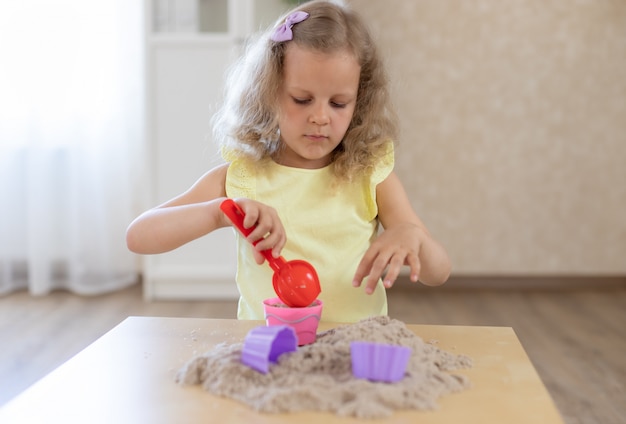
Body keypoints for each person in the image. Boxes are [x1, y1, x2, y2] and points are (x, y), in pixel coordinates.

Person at [126, 1, 451, 322]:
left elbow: (439, 273)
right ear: (269, 92)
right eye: (302, 100)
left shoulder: (369, 174)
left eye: (339, 103)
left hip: (353, 348)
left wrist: (412, 235)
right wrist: (219, 213)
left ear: (360, 101)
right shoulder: (244, 176)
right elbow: (138, 236)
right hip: (270, 350)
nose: (320, 117)